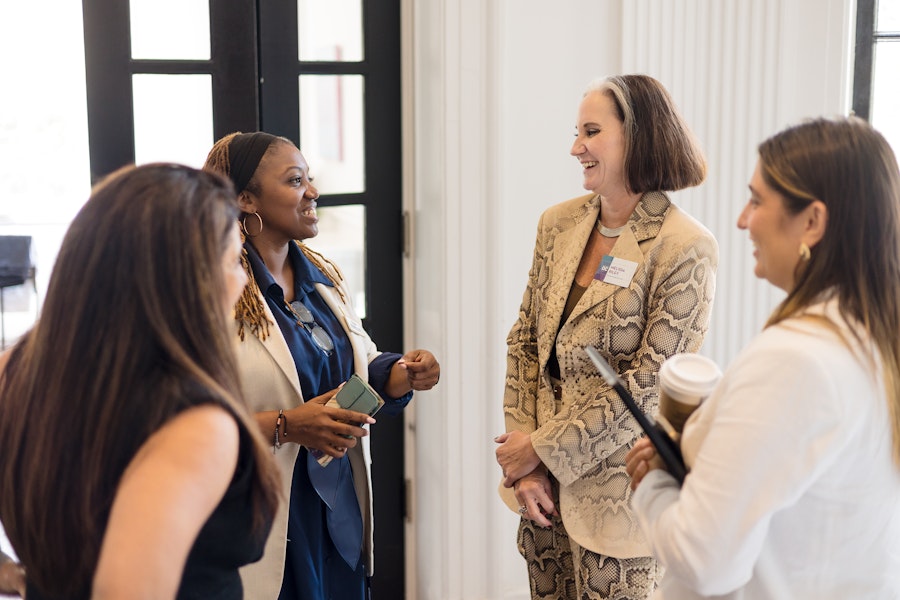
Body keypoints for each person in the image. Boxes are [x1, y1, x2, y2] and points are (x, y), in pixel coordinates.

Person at [625, 116, 900, 598]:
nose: (741, 220)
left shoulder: (796, 362)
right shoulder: (873, 340)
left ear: (812, 222)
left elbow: (703, 561)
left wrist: (651, 484)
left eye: (757, 200)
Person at [0, 163, 281, 599]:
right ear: (187, 280)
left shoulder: (15, 368)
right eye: (233, 260)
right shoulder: (195, 423)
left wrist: (16, 575)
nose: (243, 279)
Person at [493, 74, 717, 599]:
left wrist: (540, 449)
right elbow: (525, 342)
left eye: (591, 132)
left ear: (637, 138)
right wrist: (524, 468)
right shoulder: (558, 224)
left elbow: (647, 386)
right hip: (540, 499)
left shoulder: (686, 246)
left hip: (622, 511)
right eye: (577, 132)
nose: (576, 148)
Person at [202, 131, 441, 600]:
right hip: (265, 512)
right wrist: (286, 426)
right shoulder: (212, 291)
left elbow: (359, 367)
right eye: (295, 181)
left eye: (309, 178)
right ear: (246, 199)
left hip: (336, 511)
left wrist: (398, 374)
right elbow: (189, 423)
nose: (313, 191)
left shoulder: (325, 276)